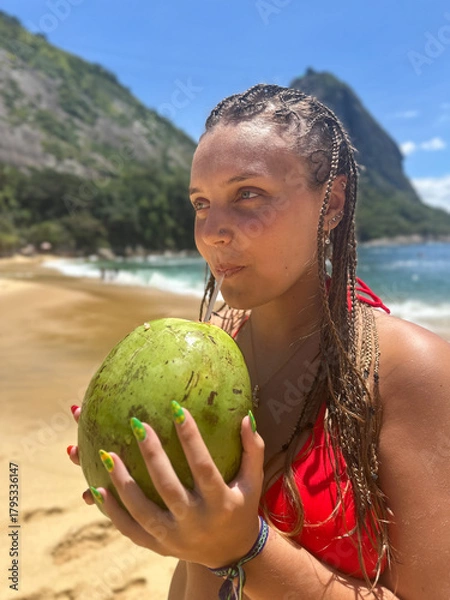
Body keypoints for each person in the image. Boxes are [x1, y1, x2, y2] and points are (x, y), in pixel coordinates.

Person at [68, 84, 450, 599]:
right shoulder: (210, 353)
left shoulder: (410, 370)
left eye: (247, 194)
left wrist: (244, 547)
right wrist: (178, 524)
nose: (213, 232)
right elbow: (196, 575)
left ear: (332, 203)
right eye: (201, 203)